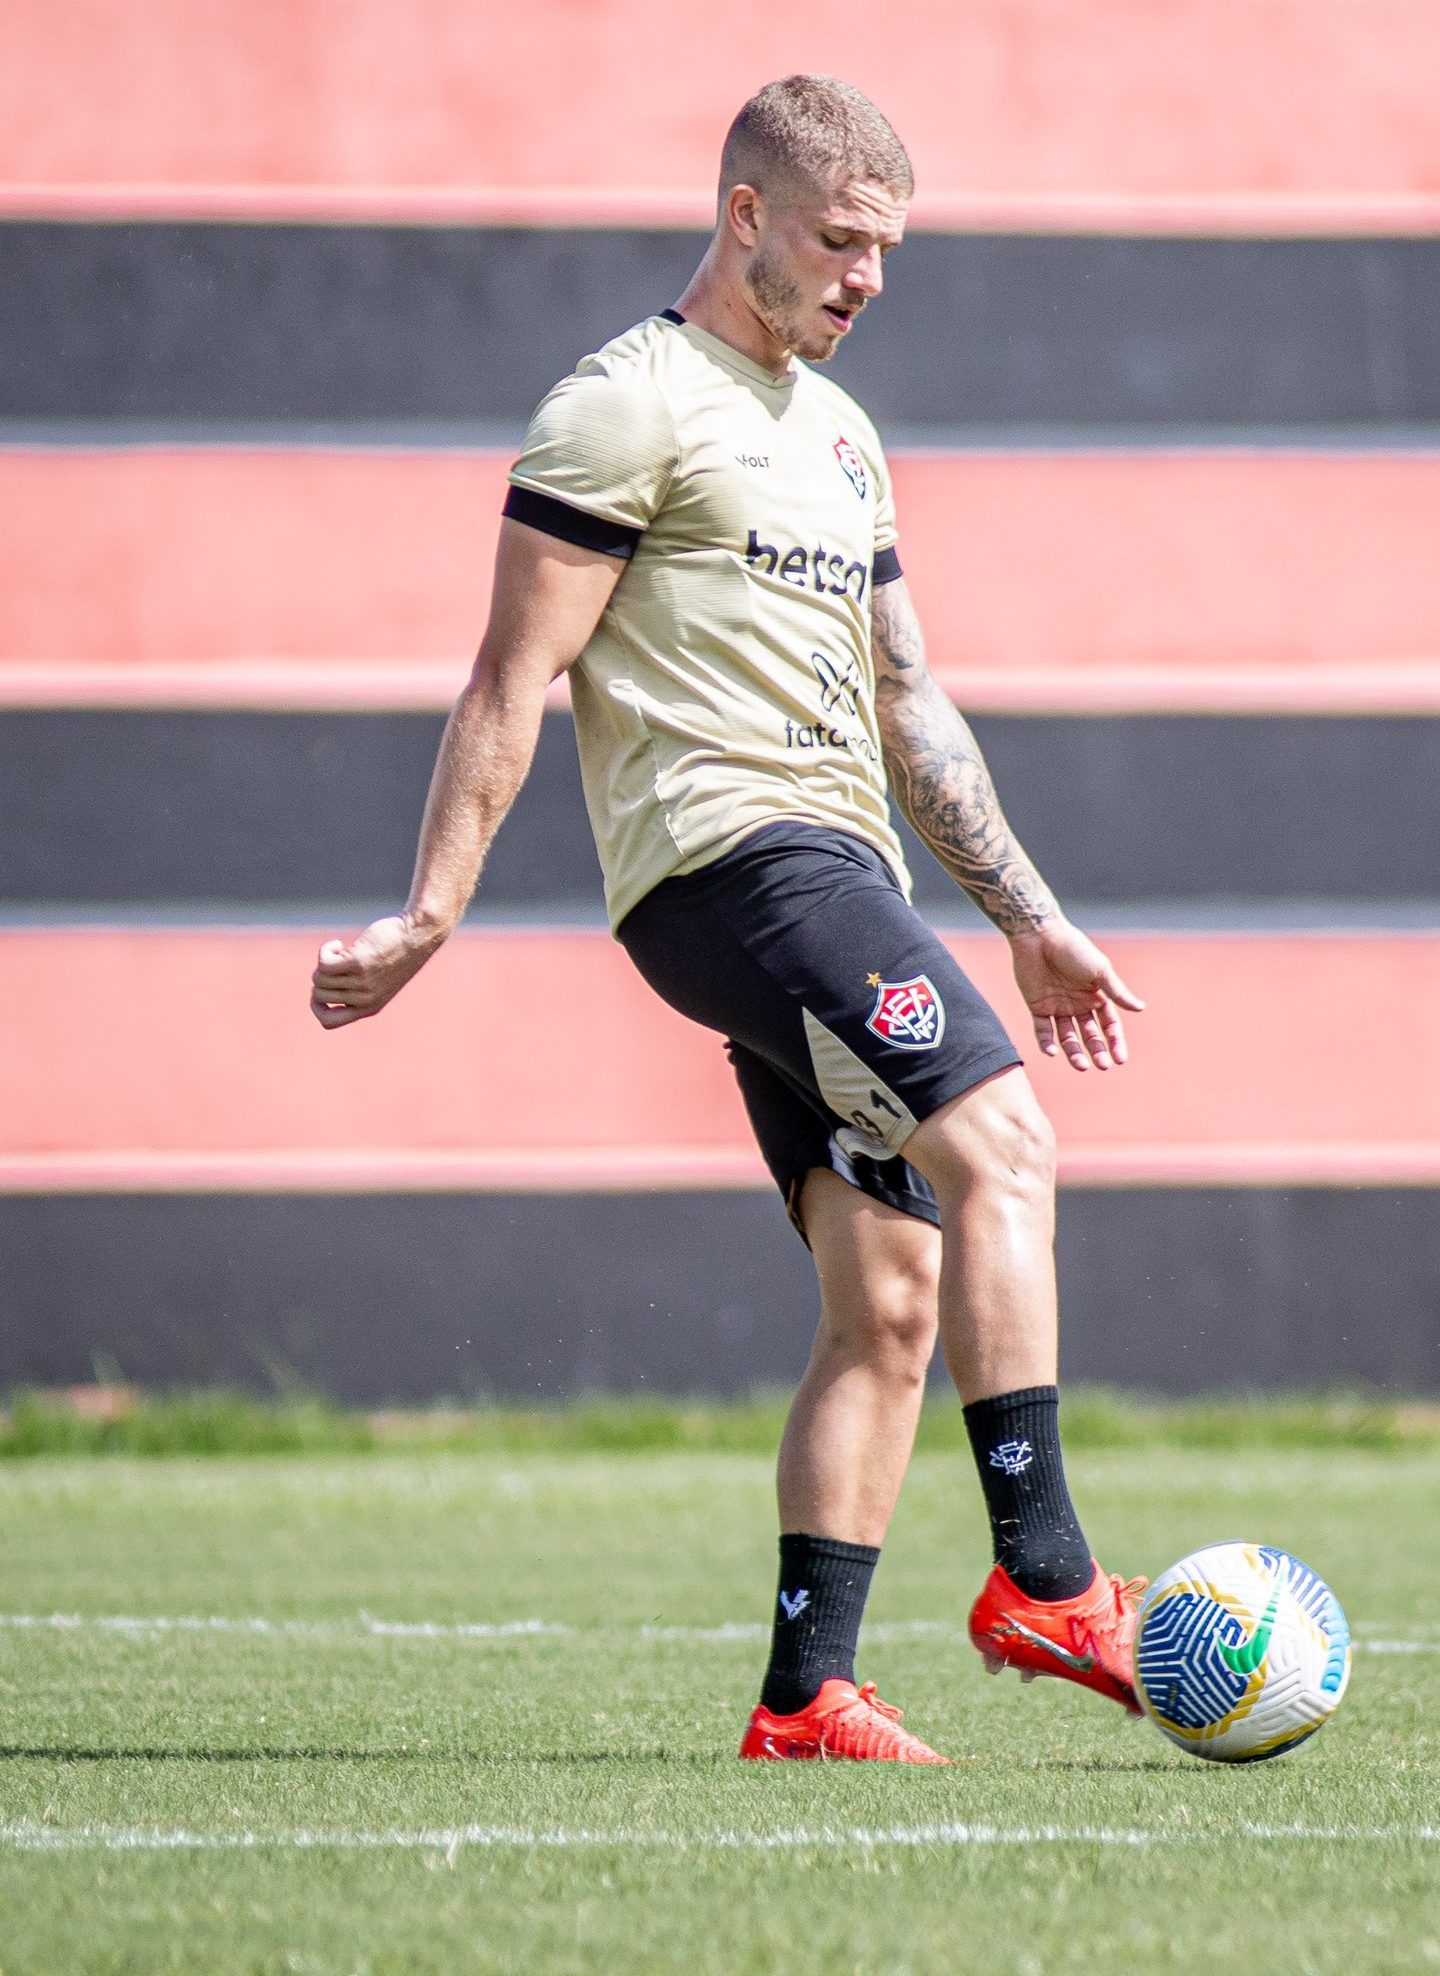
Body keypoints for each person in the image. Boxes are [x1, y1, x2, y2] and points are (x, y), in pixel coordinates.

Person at [311, 74, 1148, 1765]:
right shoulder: (622, 406)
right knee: (1010, 1148)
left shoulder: (844, 438)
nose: (869, 280)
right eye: (842, 242)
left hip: (840, 873)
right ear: (746, 216)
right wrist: (429, 915)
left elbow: (913, 704)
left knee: (892, 1288)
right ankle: (1048, 1576)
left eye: (889, 252)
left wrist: (1029, 917)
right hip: (731, 863)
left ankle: (804, 1694)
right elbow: (510, 677)